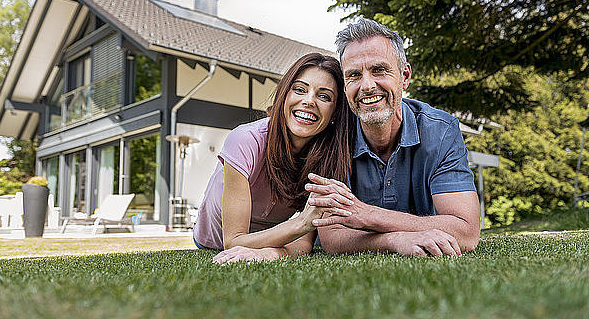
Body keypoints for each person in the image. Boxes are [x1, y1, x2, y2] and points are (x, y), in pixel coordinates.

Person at [308, 18, 481, 257]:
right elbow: (333, 237)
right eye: (354, 75)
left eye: (379, 70)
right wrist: (396, 240)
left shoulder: (441, 131)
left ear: (405, 76)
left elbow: (466, 232)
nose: (367, 86)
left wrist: (368, 215)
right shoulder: (332, 132)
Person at [193, 53, 354, 263]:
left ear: (335, 112)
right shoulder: (245, 140)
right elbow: (233, 242)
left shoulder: (329, 157)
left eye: (324, 96)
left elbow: (304, 243)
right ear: (284, 95)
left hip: (272, 243)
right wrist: (301, 223)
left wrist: (271, 253)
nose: (308, 101)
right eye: (299, 89)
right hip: (211, 243)